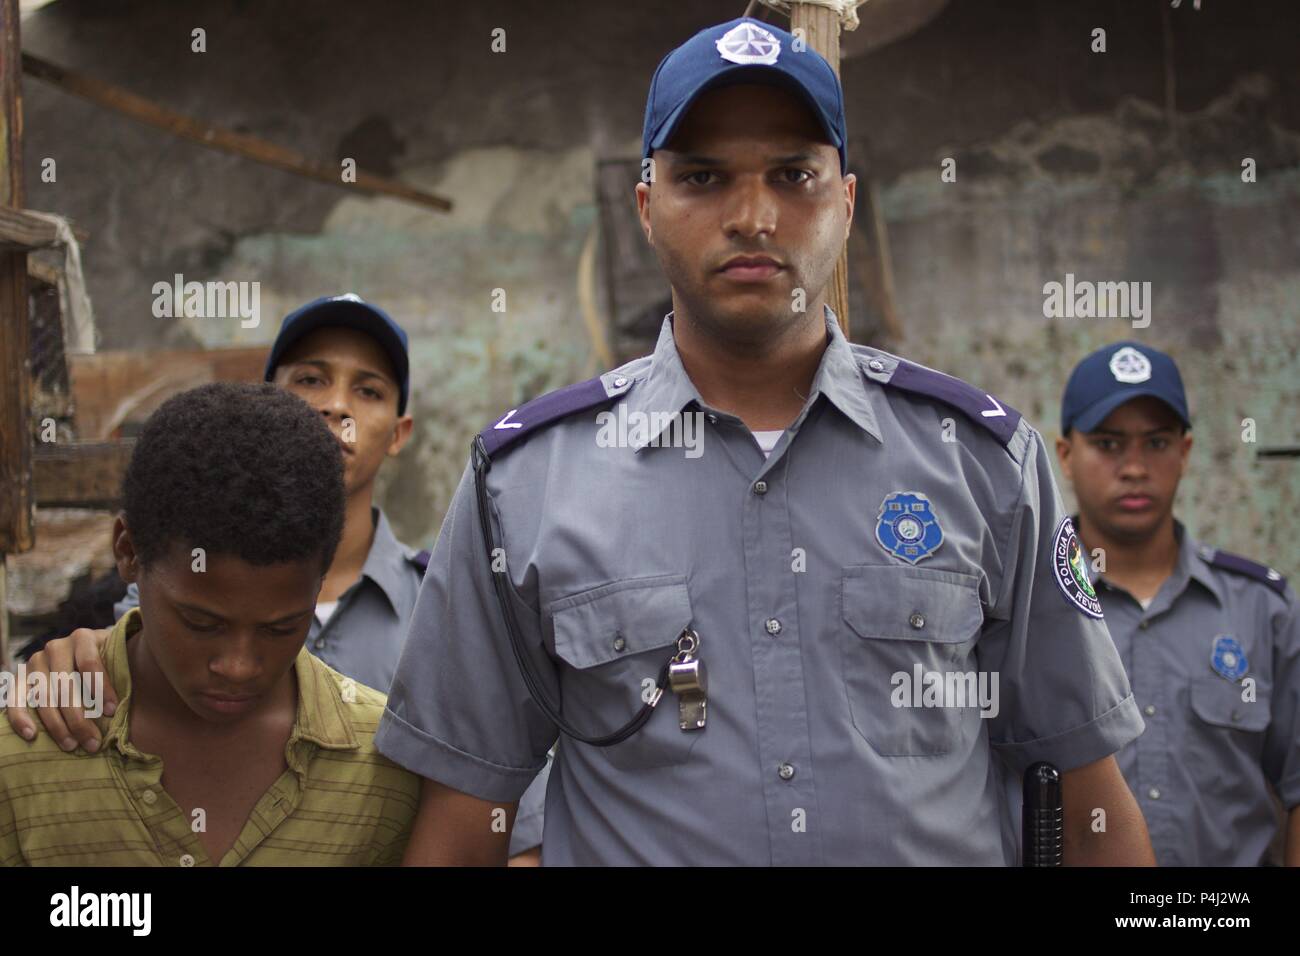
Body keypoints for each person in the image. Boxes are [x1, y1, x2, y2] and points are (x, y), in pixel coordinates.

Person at [373, 17, 1155, 865]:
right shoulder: (523, 485)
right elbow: (464, 822)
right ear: (645, 207)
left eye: (794, 175)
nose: (752, 217)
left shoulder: (981, 464)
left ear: (846, 203)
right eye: (703, 177)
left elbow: (1088, 801)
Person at [3, 295, 548, 862]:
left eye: (368, 390)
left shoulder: (452, 615)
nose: (335, 407)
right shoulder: (112, 625)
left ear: (399, 431)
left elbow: (507, 830)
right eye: (310, 380)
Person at [0, 383, 419, 866]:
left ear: (320, 581)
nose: (238, 667)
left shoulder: (387, 768)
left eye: (280, 628)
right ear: (128, 552)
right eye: (201, 623)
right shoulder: (25, 749)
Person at [1055, 341, 1299, 866]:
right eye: (1109, 443)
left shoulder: (1263, 609)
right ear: (1066, 455)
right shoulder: (1032, 608)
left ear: (1185, 453)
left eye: (1157, 443)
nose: (1135, 468)